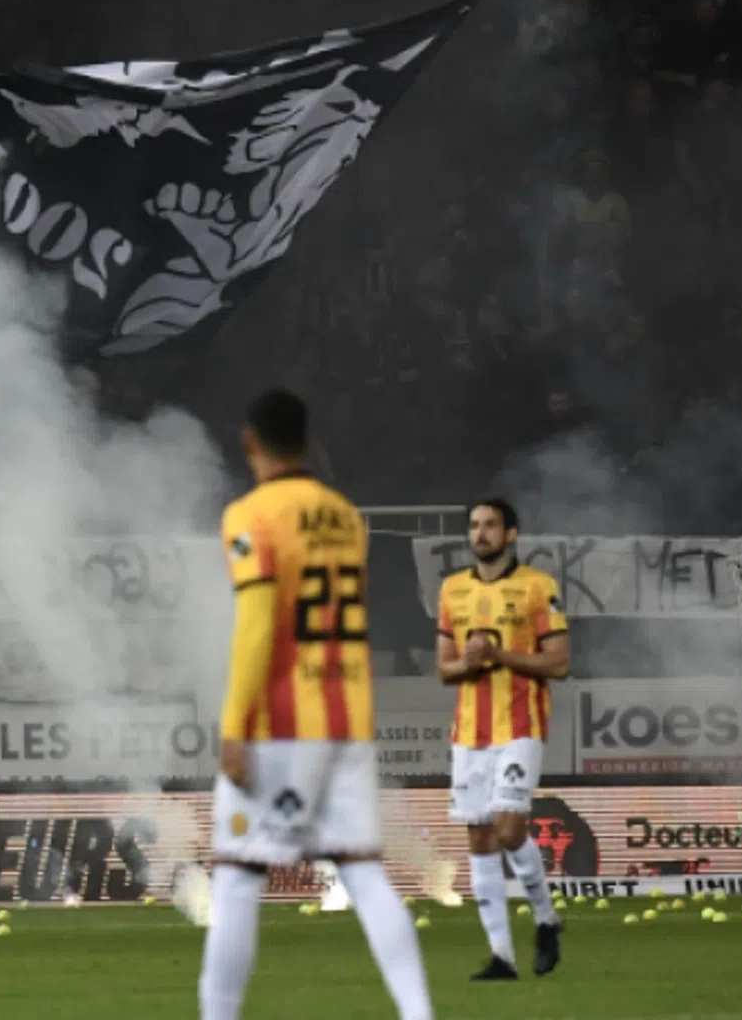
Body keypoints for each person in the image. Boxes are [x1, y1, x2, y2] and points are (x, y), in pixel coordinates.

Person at [202, 389, 433, 1020]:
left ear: (250, 444)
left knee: (238, 877)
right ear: (305, 442)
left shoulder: (251, 516)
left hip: (281, 723)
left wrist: (232, 727)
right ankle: (420, 1014)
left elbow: (256, 626)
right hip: (347, 714)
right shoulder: (345, 517)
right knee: (363, 872)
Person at [435, 499, 572, 980]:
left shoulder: (538, 587)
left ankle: (546, 920)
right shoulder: (452, 590)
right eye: (474, 525)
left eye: (491, 524)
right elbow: (444, 669)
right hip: (468, 733)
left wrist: (499, 654)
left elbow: (559, 663)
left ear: (511, 533)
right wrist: (468, 664)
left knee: (510, 829)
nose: (481, 533)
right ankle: (502, 957)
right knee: (479, 839)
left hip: (519, 726)